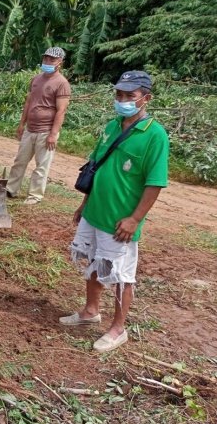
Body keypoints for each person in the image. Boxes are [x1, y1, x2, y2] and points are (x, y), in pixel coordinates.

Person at [60, 71, 169, 353]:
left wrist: (134, 219)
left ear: (146, 98)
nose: (123, 101)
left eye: (130, 96)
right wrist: (84, 204)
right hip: (95, 211)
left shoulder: (154, 136)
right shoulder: (111, 126)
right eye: (119, 95)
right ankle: (90, 311)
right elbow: (95, 166)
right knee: (95, 263)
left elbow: (154, 182)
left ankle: (118, 328)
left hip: (120, 220)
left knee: (121, 274)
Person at [5, 46, 71, 205]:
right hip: (30, 129)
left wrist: (53, 134)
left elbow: (61, 110)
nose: (47, 61)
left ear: (60, 62)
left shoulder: (62, 83)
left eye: (52, 59)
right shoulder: (36, 79)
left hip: (46, 130)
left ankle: (34, 196)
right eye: (46, 58)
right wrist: (22, 124)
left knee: (41, 166)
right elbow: (29, 102)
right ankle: (10, 189)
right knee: (20, 161)